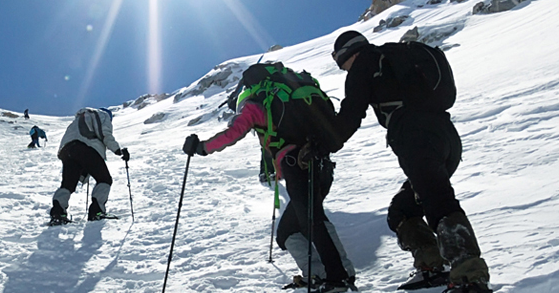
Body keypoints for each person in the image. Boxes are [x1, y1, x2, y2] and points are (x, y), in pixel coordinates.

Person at [329, 30, 489, 293]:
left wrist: (323, 145)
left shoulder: (364, 63)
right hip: (447, 138)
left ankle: (470, 278)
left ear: (348, 54)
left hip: (416, 138)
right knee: (402, 210)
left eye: (342, 63)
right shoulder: (393, 56)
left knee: (438, 201)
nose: (344, 69)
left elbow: (351, 114)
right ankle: (432, 266)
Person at [182, 63, 355, 293]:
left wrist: (202, 147)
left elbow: (233, 132)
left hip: (296, 165)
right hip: (321, 164)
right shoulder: (288, 92)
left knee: (310, 221)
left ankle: (338, 277)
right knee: (293, 228)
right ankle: (326, 274)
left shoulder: (256, 103)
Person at [49, 107, 129, 225]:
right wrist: (118, 151)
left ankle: (58, 213)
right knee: (104, 179)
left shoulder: (77, 121)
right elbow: (105, 134)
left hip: (67, 150)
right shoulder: (102, 115)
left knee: (68, 184)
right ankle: (97, 211)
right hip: (86, 147)